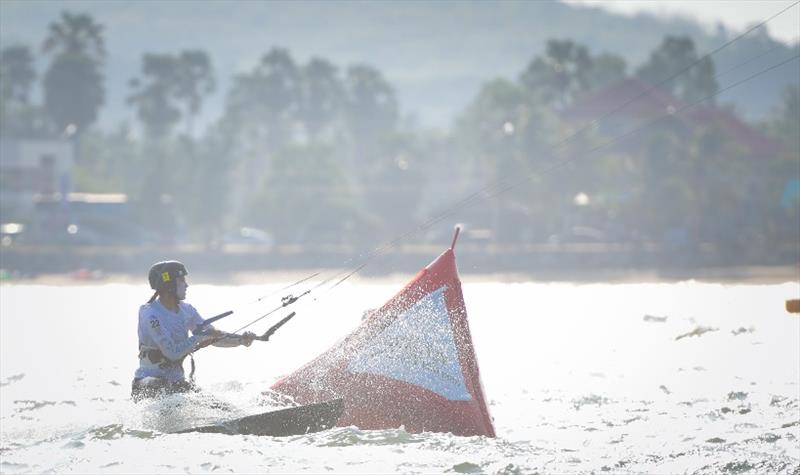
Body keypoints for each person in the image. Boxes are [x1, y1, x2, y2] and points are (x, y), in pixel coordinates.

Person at [131, 260, 255, 401]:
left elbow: (214, 336)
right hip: (147, 383)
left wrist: (241, 340)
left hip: (177, 385)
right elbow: (172, 353)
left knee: (217, 406)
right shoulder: (149, 313)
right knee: (163, 386)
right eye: (182, 280)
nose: (187, 285)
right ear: (168, 284)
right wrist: (200, 337)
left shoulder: (187, 310)